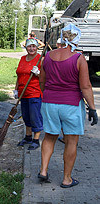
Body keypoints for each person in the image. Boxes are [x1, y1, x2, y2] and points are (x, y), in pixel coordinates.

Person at [38, 23, 98, 188]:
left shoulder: (47, 56)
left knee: (49, 136)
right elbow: (85, 86)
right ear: (76, 39)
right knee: (71, 141)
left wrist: (48, 94)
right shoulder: (79, 59)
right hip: (71, 105)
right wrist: (92, 108)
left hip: (49, 103)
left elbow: (41, 81)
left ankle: (43, 171)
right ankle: (67, 179)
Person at [14, 38, 43, 150]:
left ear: (37, 48)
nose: (31, 49)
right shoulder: (22, 58)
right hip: (23, 93)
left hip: (34, 92)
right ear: (26, 47)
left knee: (35, 116)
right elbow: (19, 75)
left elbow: (46, 78)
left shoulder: (40, 59)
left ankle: (36, 140)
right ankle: (28, 137)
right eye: (29, 46)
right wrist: (16, 89)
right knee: (26, 116)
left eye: (34, 46)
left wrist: (38, 73)